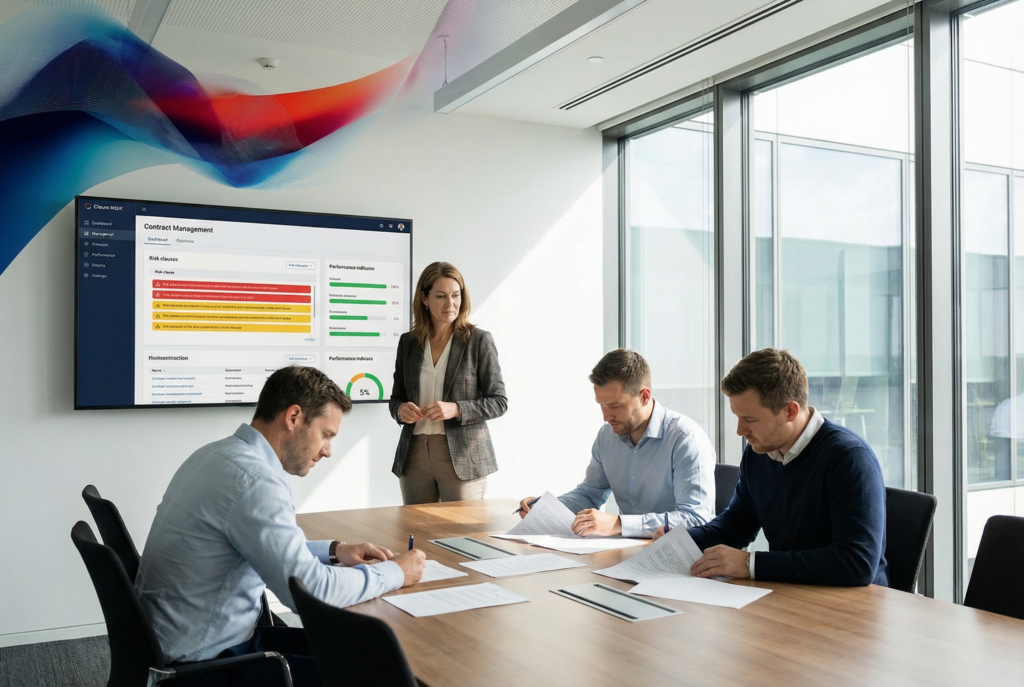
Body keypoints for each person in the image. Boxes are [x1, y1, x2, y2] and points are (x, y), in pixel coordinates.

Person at [135, 366, 426, 686]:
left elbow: (258, 546)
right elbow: (312, 592)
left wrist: (334, 551)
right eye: (326, 434)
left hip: (183, 646)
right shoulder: (256, 481)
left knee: (364, 654)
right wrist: (396, 572)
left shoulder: (215, 454)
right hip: (207, 667)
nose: (328, 451)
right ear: (293, 417)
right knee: (377, 674)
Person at [656, 348, 888, 587]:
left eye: (750, 419)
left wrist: (750, 564)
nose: (740, 431)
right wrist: (683, 539)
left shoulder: (849, 458)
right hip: (791, 592)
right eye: (738, 417)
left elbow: (856, 563)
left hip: (851, 602)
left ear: (790, 411)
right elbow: (736, 526)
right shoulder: (760, 452)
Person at [518, 348, 715, 538]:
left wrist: (619, 524)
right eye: (601, 405)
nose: (606, 417)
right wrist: (547, 508)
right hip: (625, 549)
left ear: (644, 396)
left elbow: (696, 519)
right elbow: (590, 494)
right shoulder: (607, 435)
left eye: (615, 406)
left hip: (674, 554)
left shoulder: (686, 439)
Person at [389, 261, 507, 504]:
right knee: (416, 525)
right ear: (424, 298)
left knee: (463, 526)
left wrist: (456, 409)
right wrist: (400, 410)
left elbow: (499, 402)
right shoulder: (408, 343)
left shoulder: (478, 341)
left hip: (463, 456)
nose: (450, 303)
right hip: (414, 454)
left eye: (455, 295)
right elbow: (396, 398)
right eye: (441, 296)